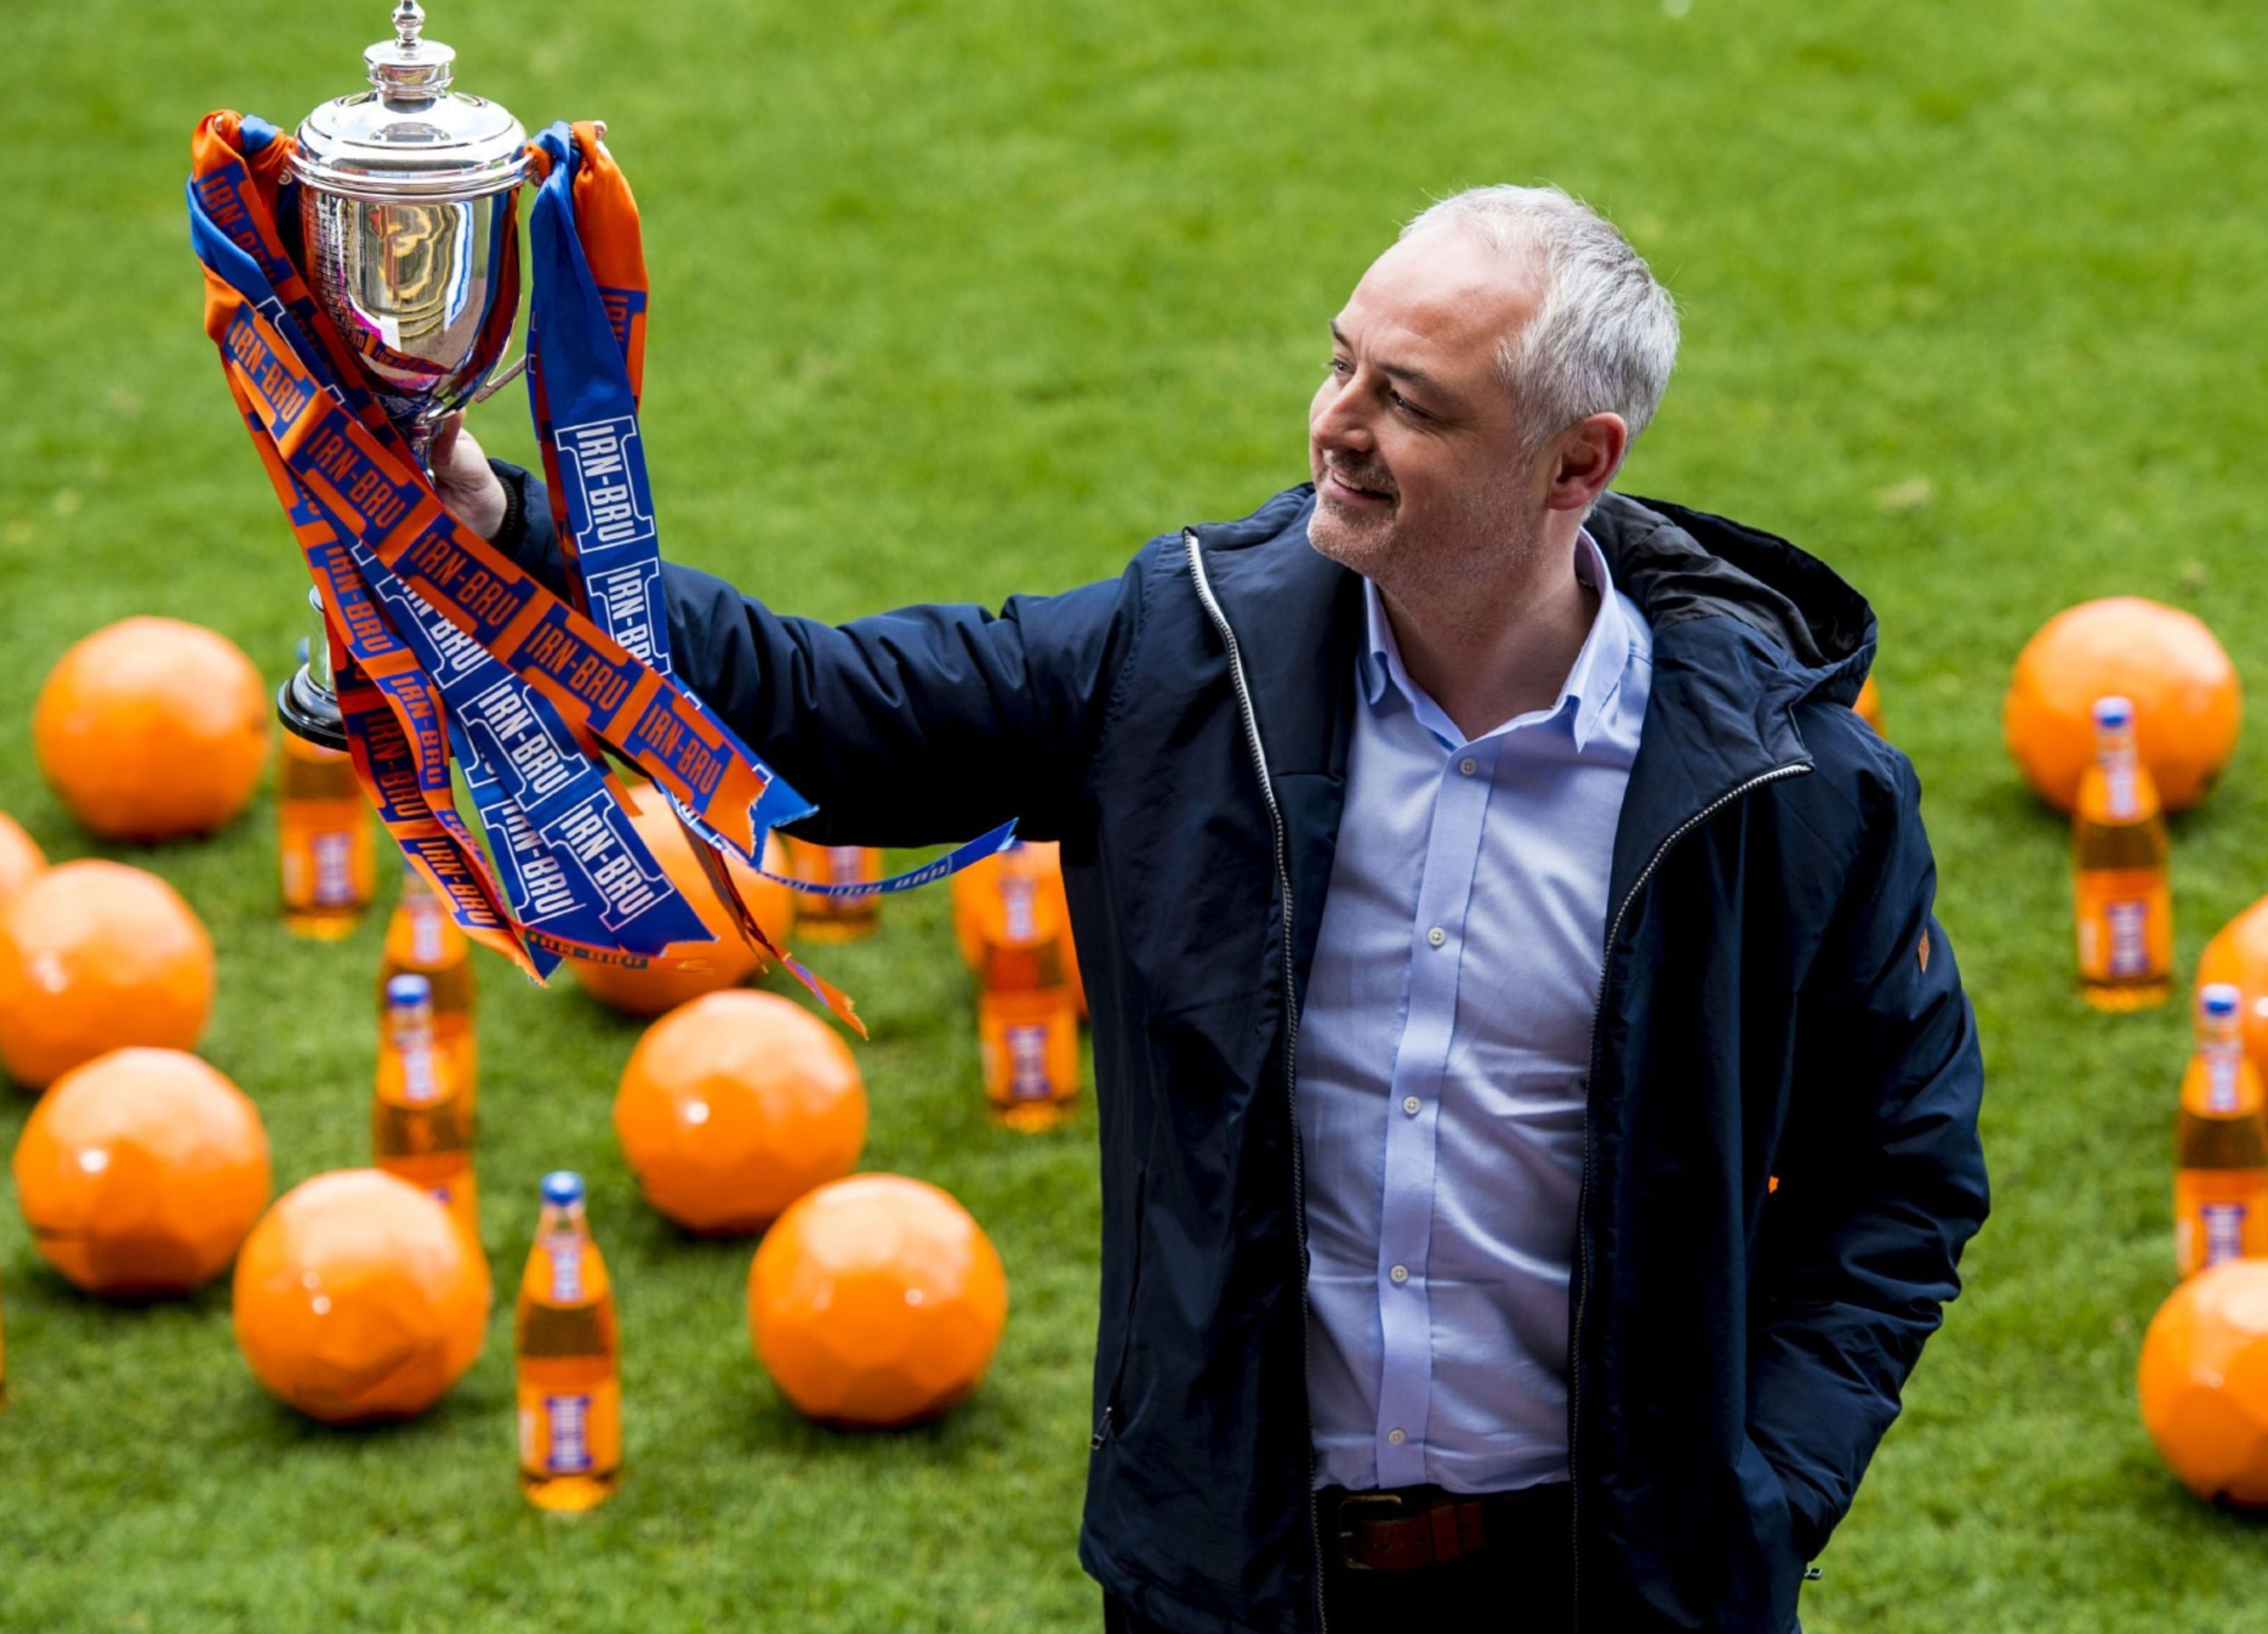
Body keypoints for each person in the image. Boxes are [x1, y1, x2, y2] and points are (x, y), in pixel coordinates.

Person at [435, 185, 1986, 1634]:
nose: (1337, 427)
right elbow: (839, 714)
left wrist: (1762, 1490)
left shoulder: (1784, 789)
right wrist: (510, 532)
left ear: (1575, 464)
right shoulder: (1189, 660)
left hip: (1614, 1590)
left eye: (1409, 403)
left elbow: (1899, 1169)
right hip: (1238, 1578)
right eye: (1340, 364)